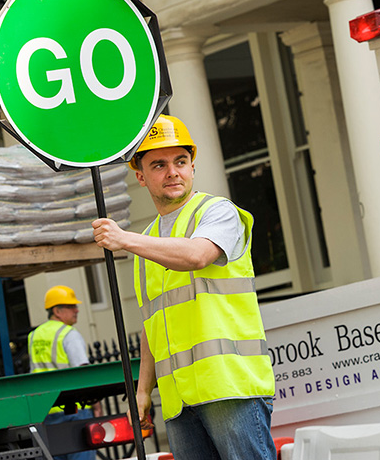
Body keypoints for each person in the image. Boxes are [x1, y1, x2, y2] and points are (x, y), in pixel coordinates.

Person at [92, 114, 276, 460]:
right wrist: (143, 389)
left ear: (193, 167)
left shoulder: (217, 212)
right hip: (179, 399)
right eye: (158, 165)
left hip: (228, 388)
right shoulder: (146, 242)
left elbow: (198, 255)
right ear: (140, 177)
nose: (173, 172)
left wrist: (124, 239)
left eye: (181, 161)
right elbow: (154, 321)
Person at [28, 285, 96, 460]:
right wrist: (96, 404)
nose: (77, 310)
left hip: (47, 410)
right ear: (57, 311)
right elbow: (83, 372)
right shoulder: (69, 334)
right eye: (71, 306)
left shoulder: (34, 336)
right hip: (75, 410)